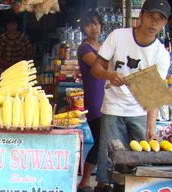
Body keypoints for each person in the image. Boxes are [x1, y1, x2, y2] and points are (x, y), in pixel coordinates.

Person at [90, 0, 171, 191]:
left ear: (164, 24)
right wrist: (109, 75)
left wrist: (151, 126)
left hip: (140, 111)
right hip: (113, 107)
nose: (153, 23)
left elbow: (153, 94)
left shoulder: (161, 54)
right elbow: (95, 68)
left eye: (159, 19)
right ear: (141, 16)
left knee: (141, 166)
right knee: (108, 164)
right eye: (151, 16)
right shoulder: (118, 36)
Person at [76, 11, 105, 192]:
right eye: (89, 25)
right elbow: (99, 65)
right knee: (100, 141)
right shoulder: (84, 48)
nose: (93, 28)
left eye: (96, 23)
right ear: (83, 29)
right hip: (95, 100)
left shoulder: (104, 46)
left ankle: (101, 181)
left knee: (107, 141)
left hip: (109, 100)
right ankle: (85, 180)